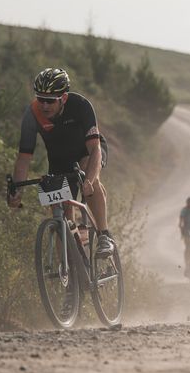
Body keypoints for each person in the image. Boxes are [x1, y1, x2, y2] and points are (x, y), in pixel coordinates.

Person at [8, 68, 115, 256]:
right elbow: (24, 158)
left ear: (63, 98)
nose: (44, 105)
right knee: (62, 218)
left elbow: (95, 149)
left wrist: (90, 180)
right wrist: (17, 190)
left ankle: (104, 234)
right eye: (40, 99)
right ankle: (70, 275)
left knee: (87, 173)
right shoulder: (32, 115)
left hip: (88, 152)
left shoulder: (81, 106)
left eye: (50, 101)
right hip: (60, 161)